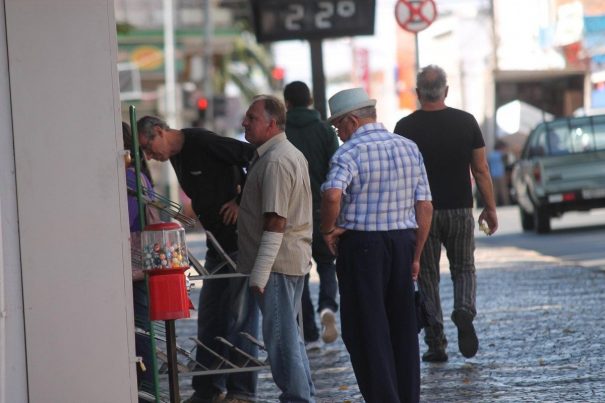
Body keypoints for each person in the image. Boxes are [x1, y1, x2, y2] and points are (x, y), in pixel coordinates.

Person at [320, 88, 433, 403]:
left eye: (338, 127)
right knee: (403, 328)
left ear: (352, 121)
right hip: (403, 242)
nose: (339, 135)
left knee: (367, 328)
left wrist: (327, 229)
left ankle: (383, 398)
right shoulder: (409, 148)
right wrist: (417, 255)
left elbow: (331, 195)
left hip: (363, 246)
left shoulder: (349, 152)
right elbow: (425, 206)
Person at [136, 116, 259, 403]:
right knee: (210, 317)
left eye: (149, 147)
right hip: (216, 245)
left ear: (159, 131)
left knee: (241, 317)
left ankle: (242, 391)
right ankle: (208, 389)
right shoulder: (176, 157)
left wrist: (241, 201)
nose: (150, 156)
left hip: (240, 241)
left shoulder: (202, 141)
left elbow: (253, 156)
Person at [393, 65, 499, 363]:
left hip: (421, 212)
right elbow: (480, 169)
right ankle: (464, 309)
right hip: (460, 210)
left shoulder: (404, 128)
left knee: (426, 276)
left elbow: (400, 177)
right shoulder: (466, 122)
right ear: (446, 91)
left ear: (417, 94)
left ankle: (436, 343)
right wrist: (489, 208)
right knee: (464, 268)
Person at [238, 95, 315, 402]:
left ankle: (297, 397)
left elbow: (275, 221)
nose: (245, 122)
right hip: (282, 264)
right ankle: (303, 394)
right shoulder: (274, 155)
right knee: (289, 339)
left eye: (251, 117)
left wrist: (259, 272)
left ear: (271, 124)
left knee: (281, 341)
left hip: (277, 267)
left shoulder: (276, 160)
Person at [283, 81, 340, 349]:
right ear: (310, 100)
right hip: (322, 208)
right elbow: (336, 168)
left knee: (300, 272)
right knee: (327, 264)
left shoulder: (282, 131)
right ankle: (327, 307)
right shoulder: (325, 130)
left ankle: (310, 335)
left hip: (293, 212)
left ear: (287, 103)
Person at [123, 121, 159, 400]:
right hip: (143, 263)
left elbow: (127, 220)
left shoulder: (128, 178)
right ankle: (147, 385)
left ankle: (146, 387)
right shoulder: (141, 176)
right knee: (142, 323)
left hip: (132, 263)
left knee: (139, 326)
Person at [487, 140, 510, 206]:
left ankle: (494, 204)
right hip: (501, 175)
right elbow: (507, 162)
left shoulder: (490, 155)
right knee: (503, 191)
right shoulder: (501, 154)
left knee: (494, 191)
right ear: (500, 147)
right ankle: (506, 204)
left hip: (493, 175)